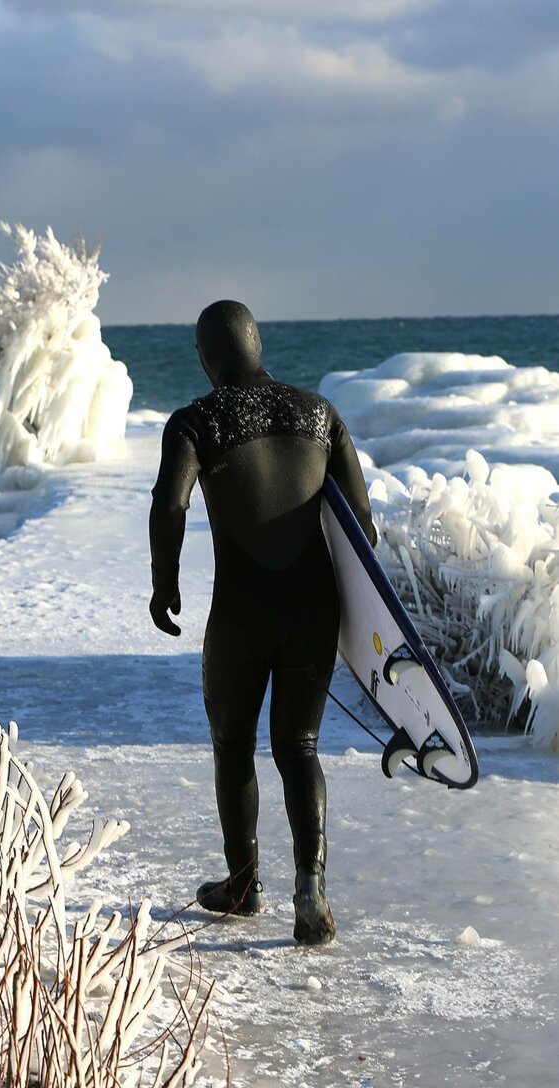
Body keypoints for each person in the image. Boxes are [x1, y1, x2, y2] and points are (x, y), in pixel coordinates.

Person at [148, 300, 376, 944]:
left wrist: (164, 583)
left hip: (243, 609)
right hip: (315, 607)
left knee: (233, 744)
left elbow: (169, 505)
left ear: (204, 355)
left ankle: (243, 885)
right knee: (299, 748)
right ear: (258, 344)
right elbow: (363, 529)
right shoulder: (320, 412)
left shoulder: (196, 421)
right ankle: (312, 884)